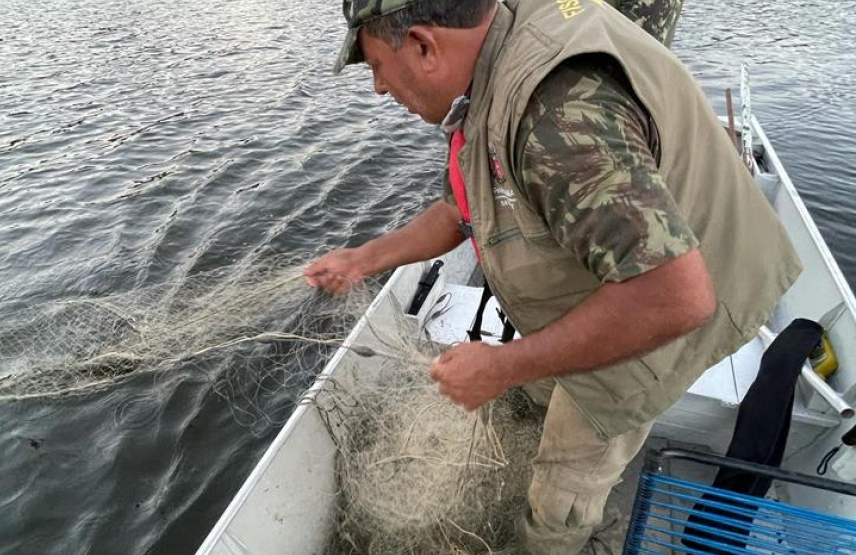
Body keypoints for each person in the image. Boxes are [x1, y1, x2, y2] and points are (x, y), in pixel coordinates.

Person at [305, 0, 802, 553]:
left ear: (424, 45)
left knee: (560, 497)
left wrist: (504, 366)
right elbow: (458, 210)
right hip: (626, 273)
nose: (378, 88)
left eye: (376, 65)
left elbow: (675, 298)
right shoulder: (493, 52)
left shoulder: (556, 114)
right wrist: (363, 259)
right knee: (539, 387)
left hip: (672, 302)